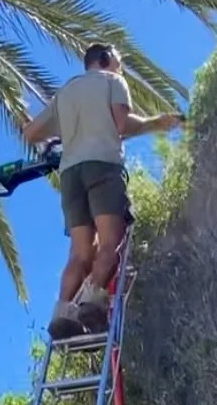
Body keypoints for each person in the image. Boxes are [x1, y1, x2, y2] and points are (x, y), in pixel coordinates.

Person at [22, 43, 181, 340]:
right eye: (118, 62)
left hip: (70, 175)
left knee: (80, 253)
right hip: (102, 166)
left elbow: (30, 133)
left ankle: (62, 311)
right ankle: (91, 301)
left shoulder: (66, 92)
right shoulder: (113, 81)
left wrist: (70, 133)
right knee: (111, 242)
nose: (121, 68)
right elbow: (119, 124)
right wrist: (153, 124)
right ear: (106, 60)